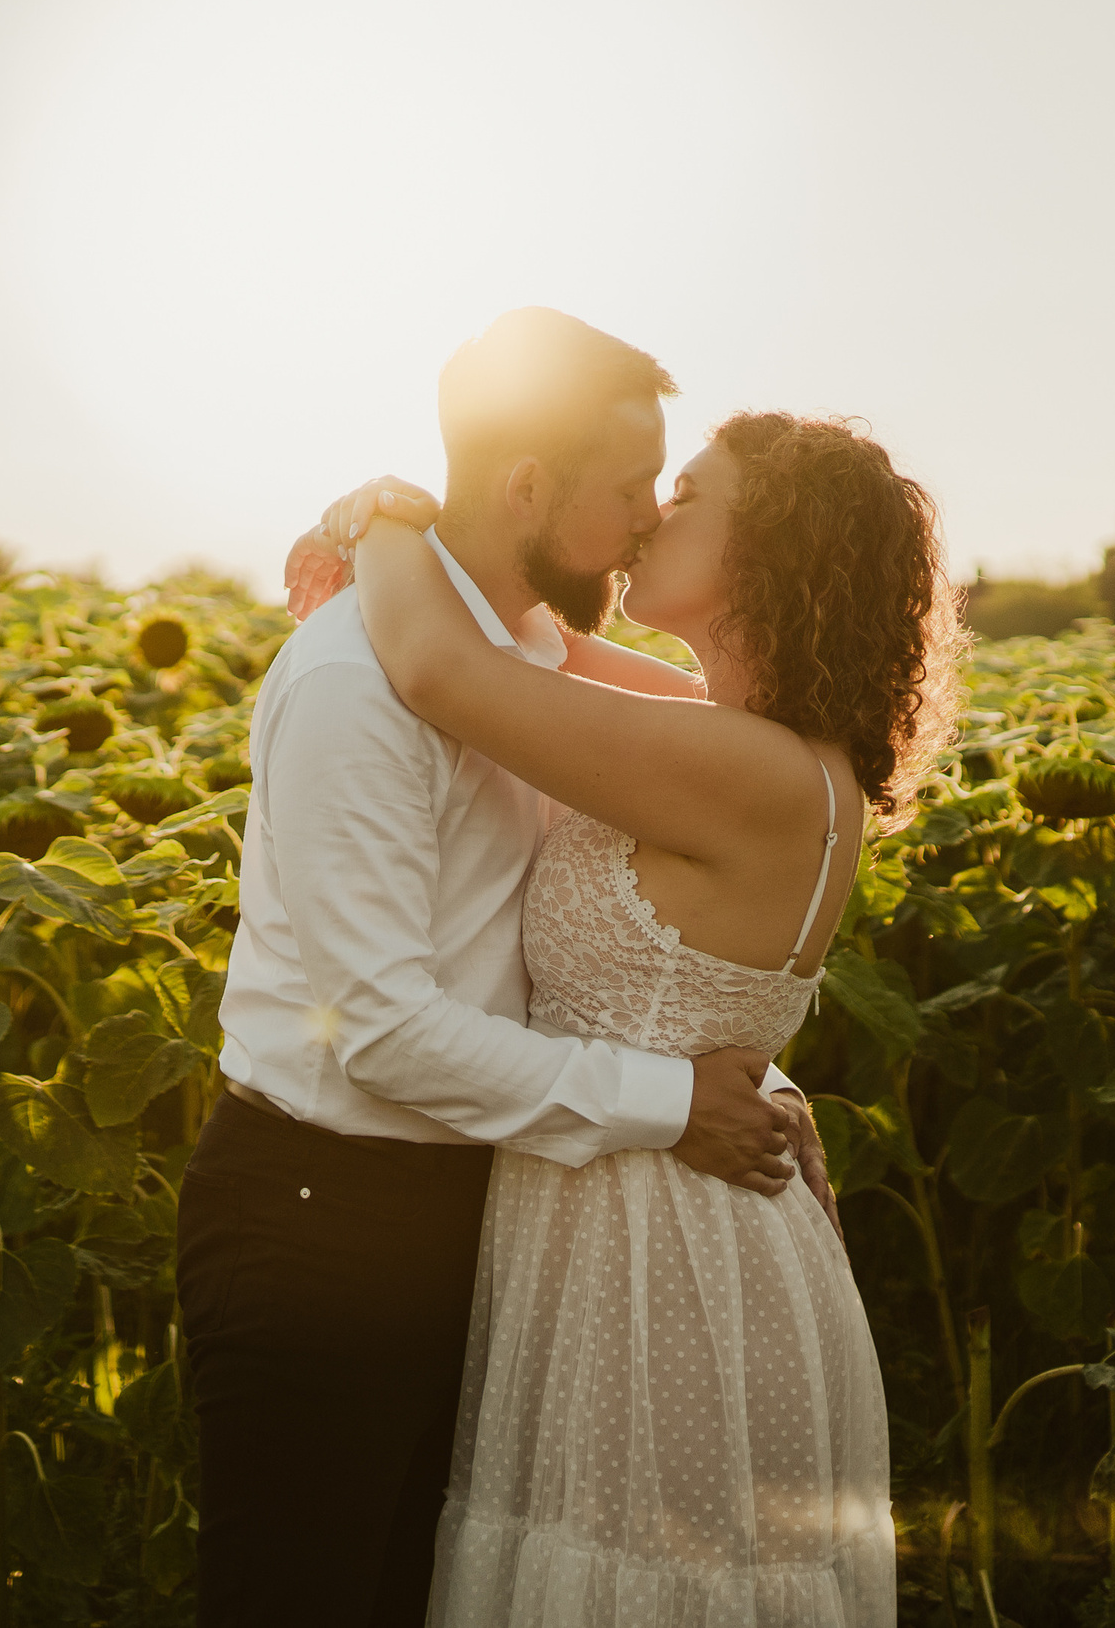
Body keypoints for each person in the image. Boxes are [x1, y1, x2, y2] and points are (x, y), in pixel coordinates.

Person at [177, 308, 828, 1628]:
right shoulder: (361, 677)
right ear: (527, 485)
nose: (647, 518)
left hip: (479, 1205)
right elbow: (387, 1032)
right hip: (322, 1209)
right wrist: (674, 1100)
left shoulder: (520, 660)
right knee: (306, 1594)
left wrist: (747, 1059)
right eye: (628, 485)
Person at [298, 400, 961, 1626]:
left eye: (690, 493)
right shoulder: (739, 740)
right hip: (634, 1216)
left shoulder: (748, 769)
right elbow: (528, 649)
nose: (655, 513)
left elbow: (447, 670)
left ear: (771, 552)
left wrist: (382, 520)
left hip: (661, 1258)